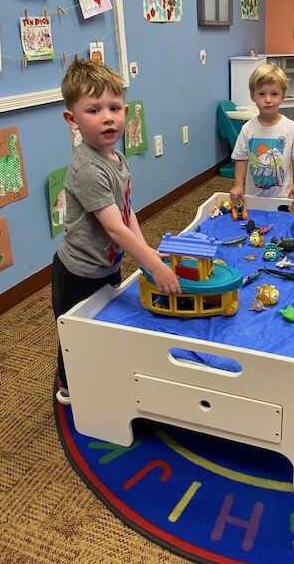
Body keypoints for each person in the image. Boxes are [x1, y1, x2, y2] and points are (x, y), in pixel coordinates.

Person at [51, 57, 181, 405]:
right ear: (72, 120)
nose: (107, 117)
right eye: (94, 110)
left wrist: (146, 250)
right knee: (75, 333)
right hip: (79, 272)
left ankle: (99, 370)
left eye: (113, 108)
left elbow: (126, 213)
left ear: (125, 111)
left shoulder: (117, 158)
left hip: (107, 263)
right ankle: (69, 386)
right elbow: (115, 229)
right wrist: (153, 265)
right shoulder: (88, 170)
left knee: (104, 323)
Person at [229, 63, 294, 205]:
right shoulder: (247, 129)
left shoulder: (292, 128)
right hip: (253, 196)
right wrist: (238, 185)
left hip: (282, 196)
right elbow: (241, 158)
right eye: (262, 94)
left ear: (283, 96)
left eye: (274, 94)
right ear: (252, 96)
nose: (268, 100)